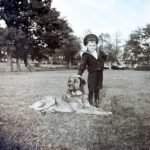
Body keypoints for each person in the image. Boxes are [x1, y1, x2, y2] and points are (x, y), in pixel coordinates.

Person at [78, 33, 107, 107]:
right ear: (86, 46)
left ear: (96, 45)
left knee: (98, 88)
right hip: (92, 73)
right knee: (91, 88)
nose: (92, 47)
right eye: (90, 46)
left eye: (94, 45)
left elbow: (105, 56)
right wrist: (79, 74)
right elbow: (82, 65)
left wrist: (101, 63)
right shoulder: (86, 55)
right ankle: (90, 101)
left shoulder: (99, 52)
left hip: (100, 73)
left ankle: (97, 102)